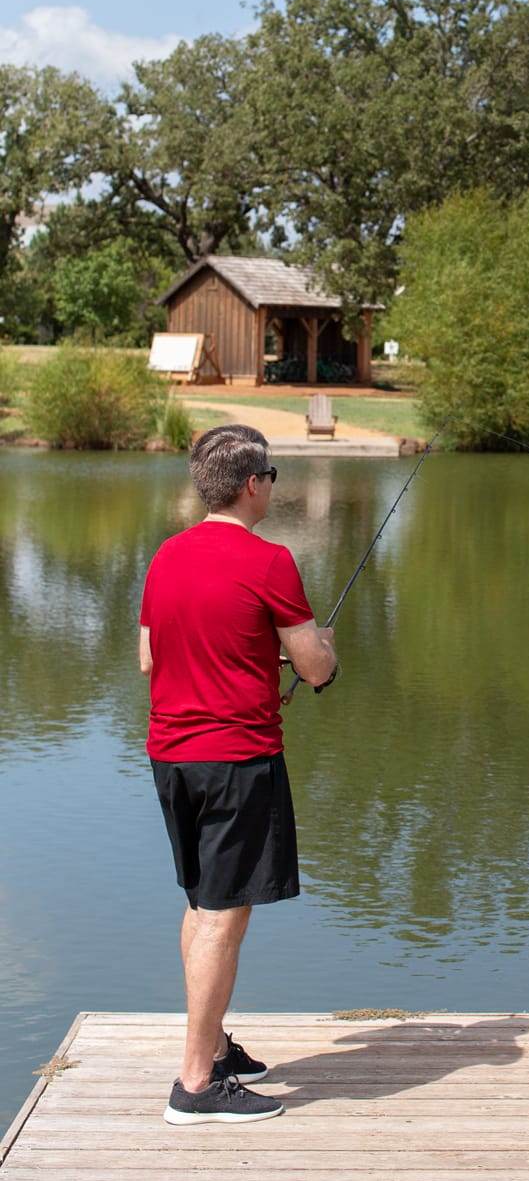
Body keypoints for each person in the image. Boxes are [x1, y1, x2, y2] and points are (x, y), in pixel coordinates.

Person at [139, 423, 338, 1125]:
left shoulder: (165, 557)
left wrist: (257, 654)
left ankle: (215, 1048)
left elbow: (148, 657)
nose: (273, 487)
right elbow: (315, 668)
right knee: (224, 915)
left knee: (202, 904)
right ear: (254, 484)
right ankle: (196, 1085)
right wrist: (320, 653)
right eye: (272, 477)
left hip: (171, 756)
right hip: (237, 760)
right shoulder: (270, 561)